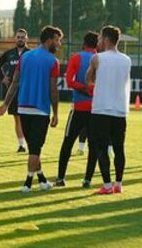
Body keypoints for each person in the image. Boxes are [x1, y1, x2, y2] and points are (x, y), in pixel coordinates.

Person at [0, 26, 62, 193]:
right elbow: (53, 89)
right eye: (58, 40)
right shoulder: (53, 61)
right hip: (40, 110)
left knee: (33, 148)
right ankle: (27, 183)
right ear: (49, 40)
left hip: (23, 108)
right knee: (35, 149)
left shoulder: (24, 57)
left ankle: (42, 180)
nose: (59, 44)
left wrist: (5, 104)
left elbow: (15, 82)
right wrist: (56, 112)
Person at [85, 26, 132, 195]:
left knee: (101, 148)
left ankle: (106, 185)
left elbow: (87, 79)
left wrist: (93, 81)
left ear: (105, 39)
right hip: (120, 109)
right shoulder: (127, 59)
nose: (98, 42)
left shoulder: (97, 58)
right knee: (119, 148)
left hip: (101, 109)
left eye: (99, 39)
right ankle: (118, 183)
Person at [56, 31, 97, 187]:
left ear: (84, 43)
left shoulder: (76, 58)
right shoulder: (101, 59)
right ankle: (87, 180)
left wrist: (83, 88)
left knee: (67, 142)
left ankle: (60, 178)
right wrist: (91, 90)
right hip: (95, 109)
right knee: (93, 145)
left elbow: (69, 81)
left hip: (79, 107)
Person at [0, 28, 30, 152]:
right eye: (18, 37)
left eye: (22, 37)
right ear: (15, 38)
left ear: (27, 39)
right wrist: (3, 77)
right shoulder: (9, 53)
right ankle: (21, 144)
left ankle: (29, 142)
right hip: (12, 91)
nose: (20, 39)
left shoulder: (30, 54)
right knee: (17, 117)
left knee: (26, 118)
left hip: (26, 90)